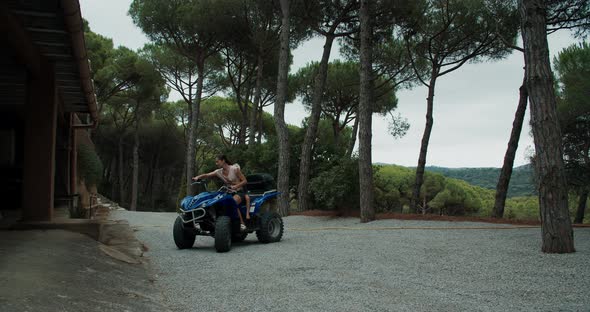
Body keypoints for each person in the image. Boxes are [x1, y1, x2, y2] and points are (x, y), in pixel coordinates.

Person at [192, 155, 251, 231]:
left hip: (239, 192)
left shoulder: (234, 169)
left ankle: (242, 224)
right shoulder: (218, 172)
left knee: (233, 202)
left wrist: (236, 186)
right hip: (227, 192)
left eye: (217, 161)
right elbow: (207, 175)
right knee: (216, 202)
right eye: (216, 162)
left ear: (223, 161)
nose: (216, 163)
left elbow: (245, 181)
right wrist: (197, 177)